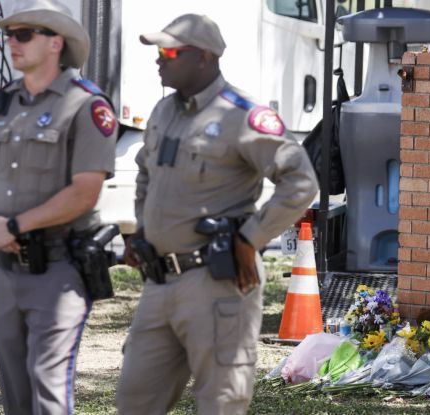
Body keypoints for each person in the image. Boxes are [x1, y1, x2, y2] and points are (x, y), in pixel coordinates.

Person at [116, 14, 318, 414]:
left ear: (204, 58)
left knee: (219, 403)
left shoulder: (242, 115)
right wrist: (143, 229)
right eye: (158, 51)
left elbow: (300, 181)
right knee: (134, 400)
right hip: (159, 284)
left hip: (216, 283)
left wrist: (251, 238)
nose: (160, 60)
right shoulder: (162, 112)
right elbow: (144, 173)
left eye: (170, 52)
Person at [0, 0, 117, 413]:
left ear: (56, 43)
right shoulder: (1, 104)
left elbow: (85, 192)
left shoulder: (87, 105)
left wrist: (12, 226)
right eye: (9, 34)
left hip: (59, 271)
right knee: (15, 393)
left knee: (48, 390)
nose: (12, 43)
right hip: (7, 272)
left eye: (24, 34)